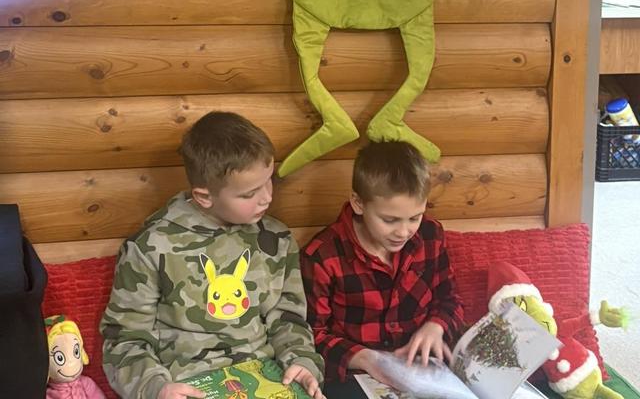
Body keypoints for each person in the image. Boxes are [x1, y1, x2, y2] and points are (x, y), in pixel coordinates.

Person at [100, 112, 324, 399]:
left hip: (267, 376)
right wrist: (155, 388)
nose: (267, 197)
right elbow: (124, 338)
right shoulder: (151, 246)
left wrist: (302, 362)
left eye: (269, 181)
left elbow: (288, 319)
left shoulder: (276, 238)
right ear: (204, 196)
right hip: (187, 384)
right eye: (249, 194)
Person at [300, 141, 463, 388]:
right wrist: (364, 358)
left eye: (415, 217)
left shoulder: (430, 235)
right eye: (390, 220)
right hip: (355, 375)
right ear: (358, 203)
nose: (404, 231)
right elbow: (312, 335)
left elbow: (450, 298)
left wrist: (435, 326)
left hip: (421, 373)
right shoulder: (322, 256)